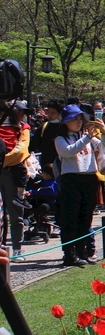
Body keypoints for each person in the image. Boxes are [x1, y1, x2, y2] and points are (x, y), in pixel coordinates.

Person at [54, 105, 105, 267]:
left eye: (80, 119)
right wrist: (86, 138)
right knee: (70, 218)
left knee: (86, 218)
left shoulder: (87, 136)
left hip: (90, 178)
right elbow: (67, 152)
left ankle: (83, 252)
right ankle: (69, 254)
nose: (78, 122)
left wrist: (104, 132)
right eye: (74, 119)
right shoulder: (61, 138)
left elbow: (104, 147)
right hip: (71, 180)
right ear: (65, 121)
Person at [0, 101, 32, 262]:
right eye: (20, 111)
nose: (23, 115)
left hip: (13, 172)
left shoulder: (23, 128)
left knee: (15, 214)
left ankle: (17, 249)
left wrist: (2, 160)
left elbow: (21, 151)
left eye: (24, 112)